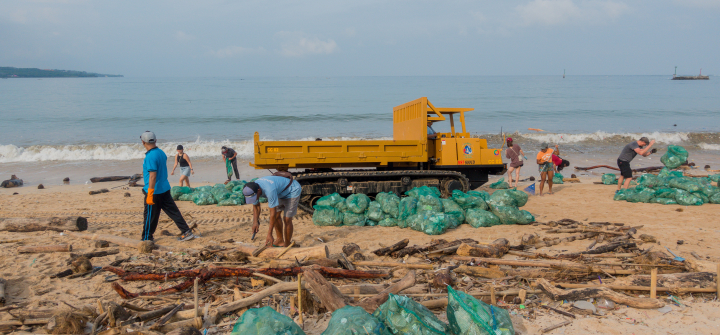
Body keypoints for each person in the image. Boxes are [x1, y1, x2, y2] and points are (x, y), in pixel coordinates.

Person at [139, 131, 197, 242]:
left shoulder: (150, 156)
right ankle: (186, 231)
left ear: (143, 142)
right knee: (174, 212)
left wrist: (150, 194)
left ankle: (146, 238)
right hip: (164, 189)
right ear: (155, 141)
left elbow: (153, 176)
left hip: (154, 191)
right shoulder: (161, 153)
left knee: (150, 216)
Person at [245, 175, 301, 247]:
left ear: (259, 191)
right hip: (279, 192)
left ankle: (287, 244)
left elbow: (272, 214)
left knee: (287, 219)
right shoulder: (252, 188)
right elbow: (256, 206)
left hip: (292, 190)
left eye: (254, 197)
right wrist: (255, 222)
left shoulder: (269, 190)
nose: (254, 199)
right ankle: (280, 240)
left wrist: (269, 234)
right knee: (277, 216)